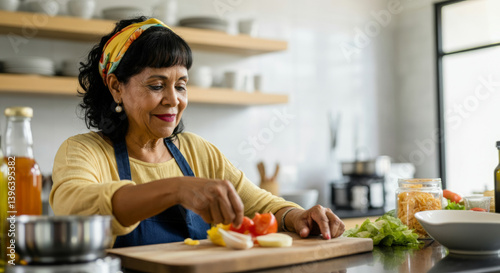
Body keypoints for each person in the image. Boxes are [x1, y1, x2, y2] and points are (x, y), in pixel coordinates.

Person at [49, 16, 345, 248]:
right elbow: (74, 209)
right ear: (116, 87)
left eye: (180, 85)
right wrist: (176, 189)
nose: (173, 100)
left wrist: (296, 216)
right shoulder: (84, 151)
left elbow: (260, 205)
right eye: (156, 85)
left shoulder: (197, 151)